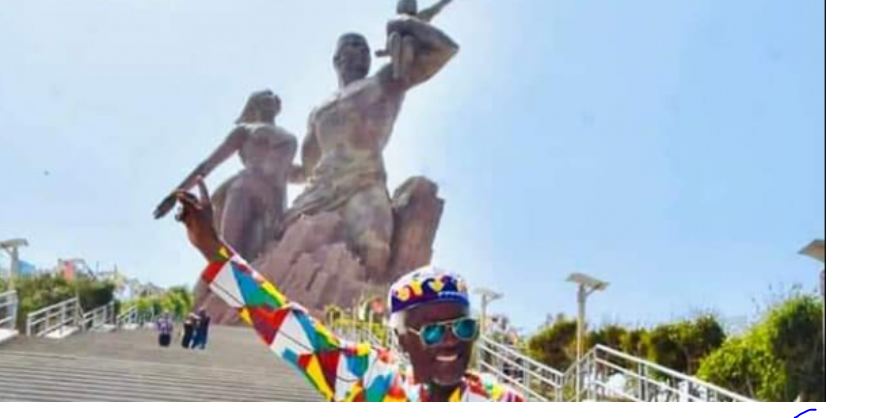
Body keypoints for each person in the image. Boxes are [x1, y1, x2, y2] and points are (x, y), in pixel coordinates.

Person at [173, 178, 522, 402]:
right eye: (431, 331)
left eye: (463, 327)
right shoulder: (369, 381)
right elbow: (287, 325)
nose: (450, 341)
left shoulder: (500, 402)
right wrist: (212, 249)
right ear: (400, 339)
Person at [153, 90, 301, 261]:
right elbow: (207, 165)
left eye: (272, 96)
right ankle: (217, 285)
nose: (269, 98)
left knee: (259, 259)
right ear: (254, 106)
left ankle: (245, 286)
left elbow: (294, 172)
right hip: (246, 189)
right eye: (263, 97)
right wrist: (174, 194)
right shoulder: (244, 130)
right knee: (229, 255)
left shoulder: (289, 137)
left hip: (276, 201)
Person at [377, 0, 455, 81]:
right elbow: (390, 44)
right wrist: (384, 52)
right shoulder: (393, 23)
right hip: (397, 50)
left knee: (407, 41)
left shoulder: (418, 18)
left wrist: (445, 2)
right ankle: (396, 71)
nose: (406, 6)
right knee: (395, 36)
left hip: (411, 48)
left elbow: (435, 9)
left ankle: (405, 71)